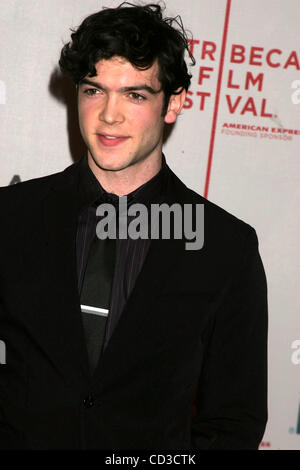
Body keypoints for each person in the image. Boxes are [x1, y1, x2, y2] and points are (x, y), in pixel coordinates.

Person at [0, 2, 268, 450]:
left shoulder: (226, 248)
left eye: (135, 95)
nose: (109, 115)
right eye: (94, 90)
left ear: (174, 103)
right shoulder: (10, 218)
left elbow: (233, 421)